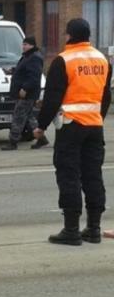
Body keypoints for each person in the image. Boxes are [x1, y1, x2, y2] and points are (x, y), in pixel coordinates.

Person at [34, 18, 112, 245]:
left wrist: (41, 125)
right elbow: (106, 95)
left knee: (69, 175)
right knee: (93, 175)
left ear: (69, 36)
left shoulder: (63, 60)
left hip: (71, 126)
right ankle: (94, 228)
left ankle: (71, 229)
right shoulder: (102, 59)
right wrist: (98, 116)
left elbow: (52, 98)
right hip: (94, 126)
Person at [1, 36, 46, 150]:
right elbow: (23, 70)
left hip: (27, 94)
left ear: (32, 45)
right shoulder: (27, 56)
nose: (24, 46)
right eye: (23, 44)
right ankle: (41, 138)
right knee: (29, 118)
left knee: (18, 117)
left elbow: (34, 77)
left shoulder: (34, 58)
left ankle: (13, 141)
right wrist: (12, 71)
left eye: (26, 45)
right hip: (25, 93)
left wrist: (25, 89)